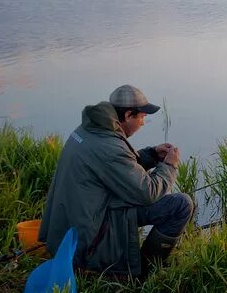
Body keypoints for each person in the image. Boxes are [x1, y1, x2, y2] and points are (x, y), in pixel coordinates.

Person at [39, 85, 194, 277]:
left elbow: (115, 167)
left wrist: (152, 155)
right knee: (181, 205)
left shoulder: (89, 129)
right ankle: (143, 273)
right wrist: (169, 166)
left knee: (168, 201)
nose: (143, 123)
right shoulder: (109, 145)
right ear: (128, 115)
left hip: (72, 228)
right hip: (90, 237)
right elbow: (148, 192)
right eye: (142, 117)